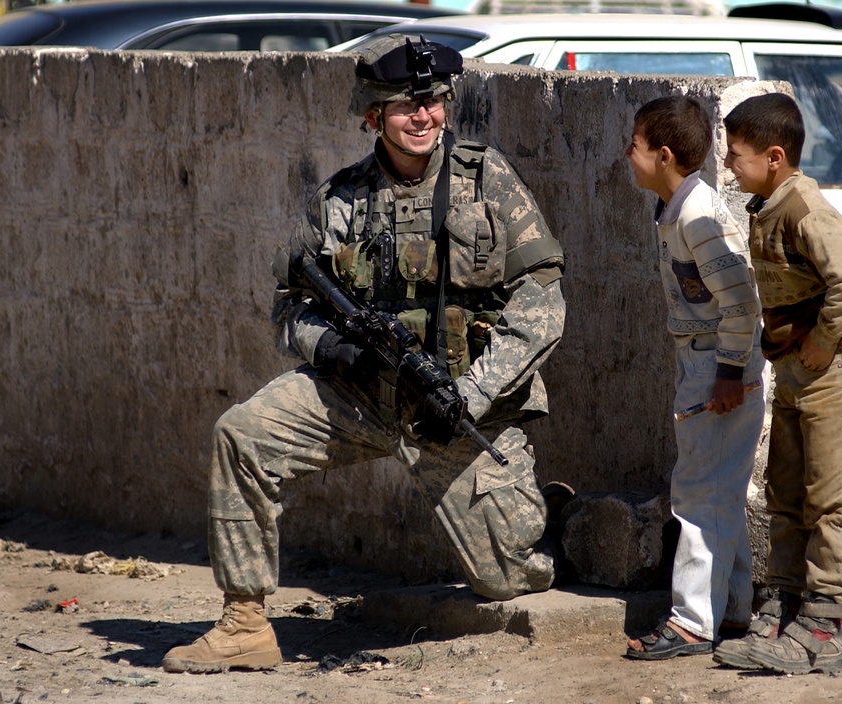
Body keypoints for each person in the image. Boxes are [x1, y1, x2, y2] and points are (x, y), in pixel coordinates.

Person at [161, 34, 567, 674]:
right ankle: (244, 624)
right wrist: (336, 350)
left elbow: (543, 300)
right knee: (241, 434)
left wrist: (473, 393)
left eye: (433, 101)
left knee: (507, 579)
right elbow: (289, 307)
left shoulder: (488, 181)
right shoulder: (340, 200)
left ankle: (553, 519)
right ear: (373, 116)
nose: (424, 117)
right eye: (407, 106)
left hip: (457, 410)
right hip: (359, 397)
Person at [713, 92, 842, 675]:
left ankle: (825, 628)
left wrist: (823, 341)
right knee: (785, 496)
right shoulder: (770, 202)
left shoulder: (803, 206)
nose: (730, 166)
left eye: (736, 156)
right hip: (797, 376)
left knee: (829, 503)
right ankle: (783, 609)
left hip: (833, 374)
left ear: (775, 156)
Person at [621, 96, 766, 661]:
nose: (626, 157)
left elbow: (740, 302)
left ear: (662, 155)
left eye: (633, 146)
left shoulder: (699, 215)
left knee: (701, 495)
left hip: (718, 370)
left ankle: (689, 623)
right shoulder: (677, 208)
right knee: (719, 491)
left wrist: (727, 376)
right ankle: (731, 608)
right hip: (709, 365)